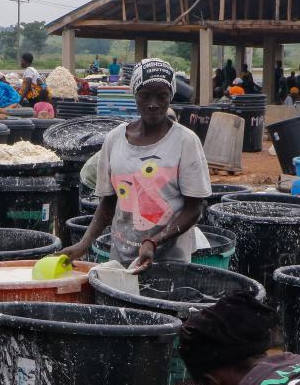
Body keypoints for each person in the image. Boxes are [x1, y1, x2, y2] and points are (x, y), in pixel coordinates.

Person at [60, 58, 210, 273]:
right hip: (121, 257)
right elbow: (108, 203)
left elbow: (194, 209)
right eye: (145, 95)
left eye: (161, 96)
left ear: (171, 97)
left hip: (170, 261)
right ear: (134, 95)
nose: (153, 103)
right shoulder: (115, 139)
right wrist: (84, 243)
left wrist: (155, 241)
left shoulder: (186, 141)